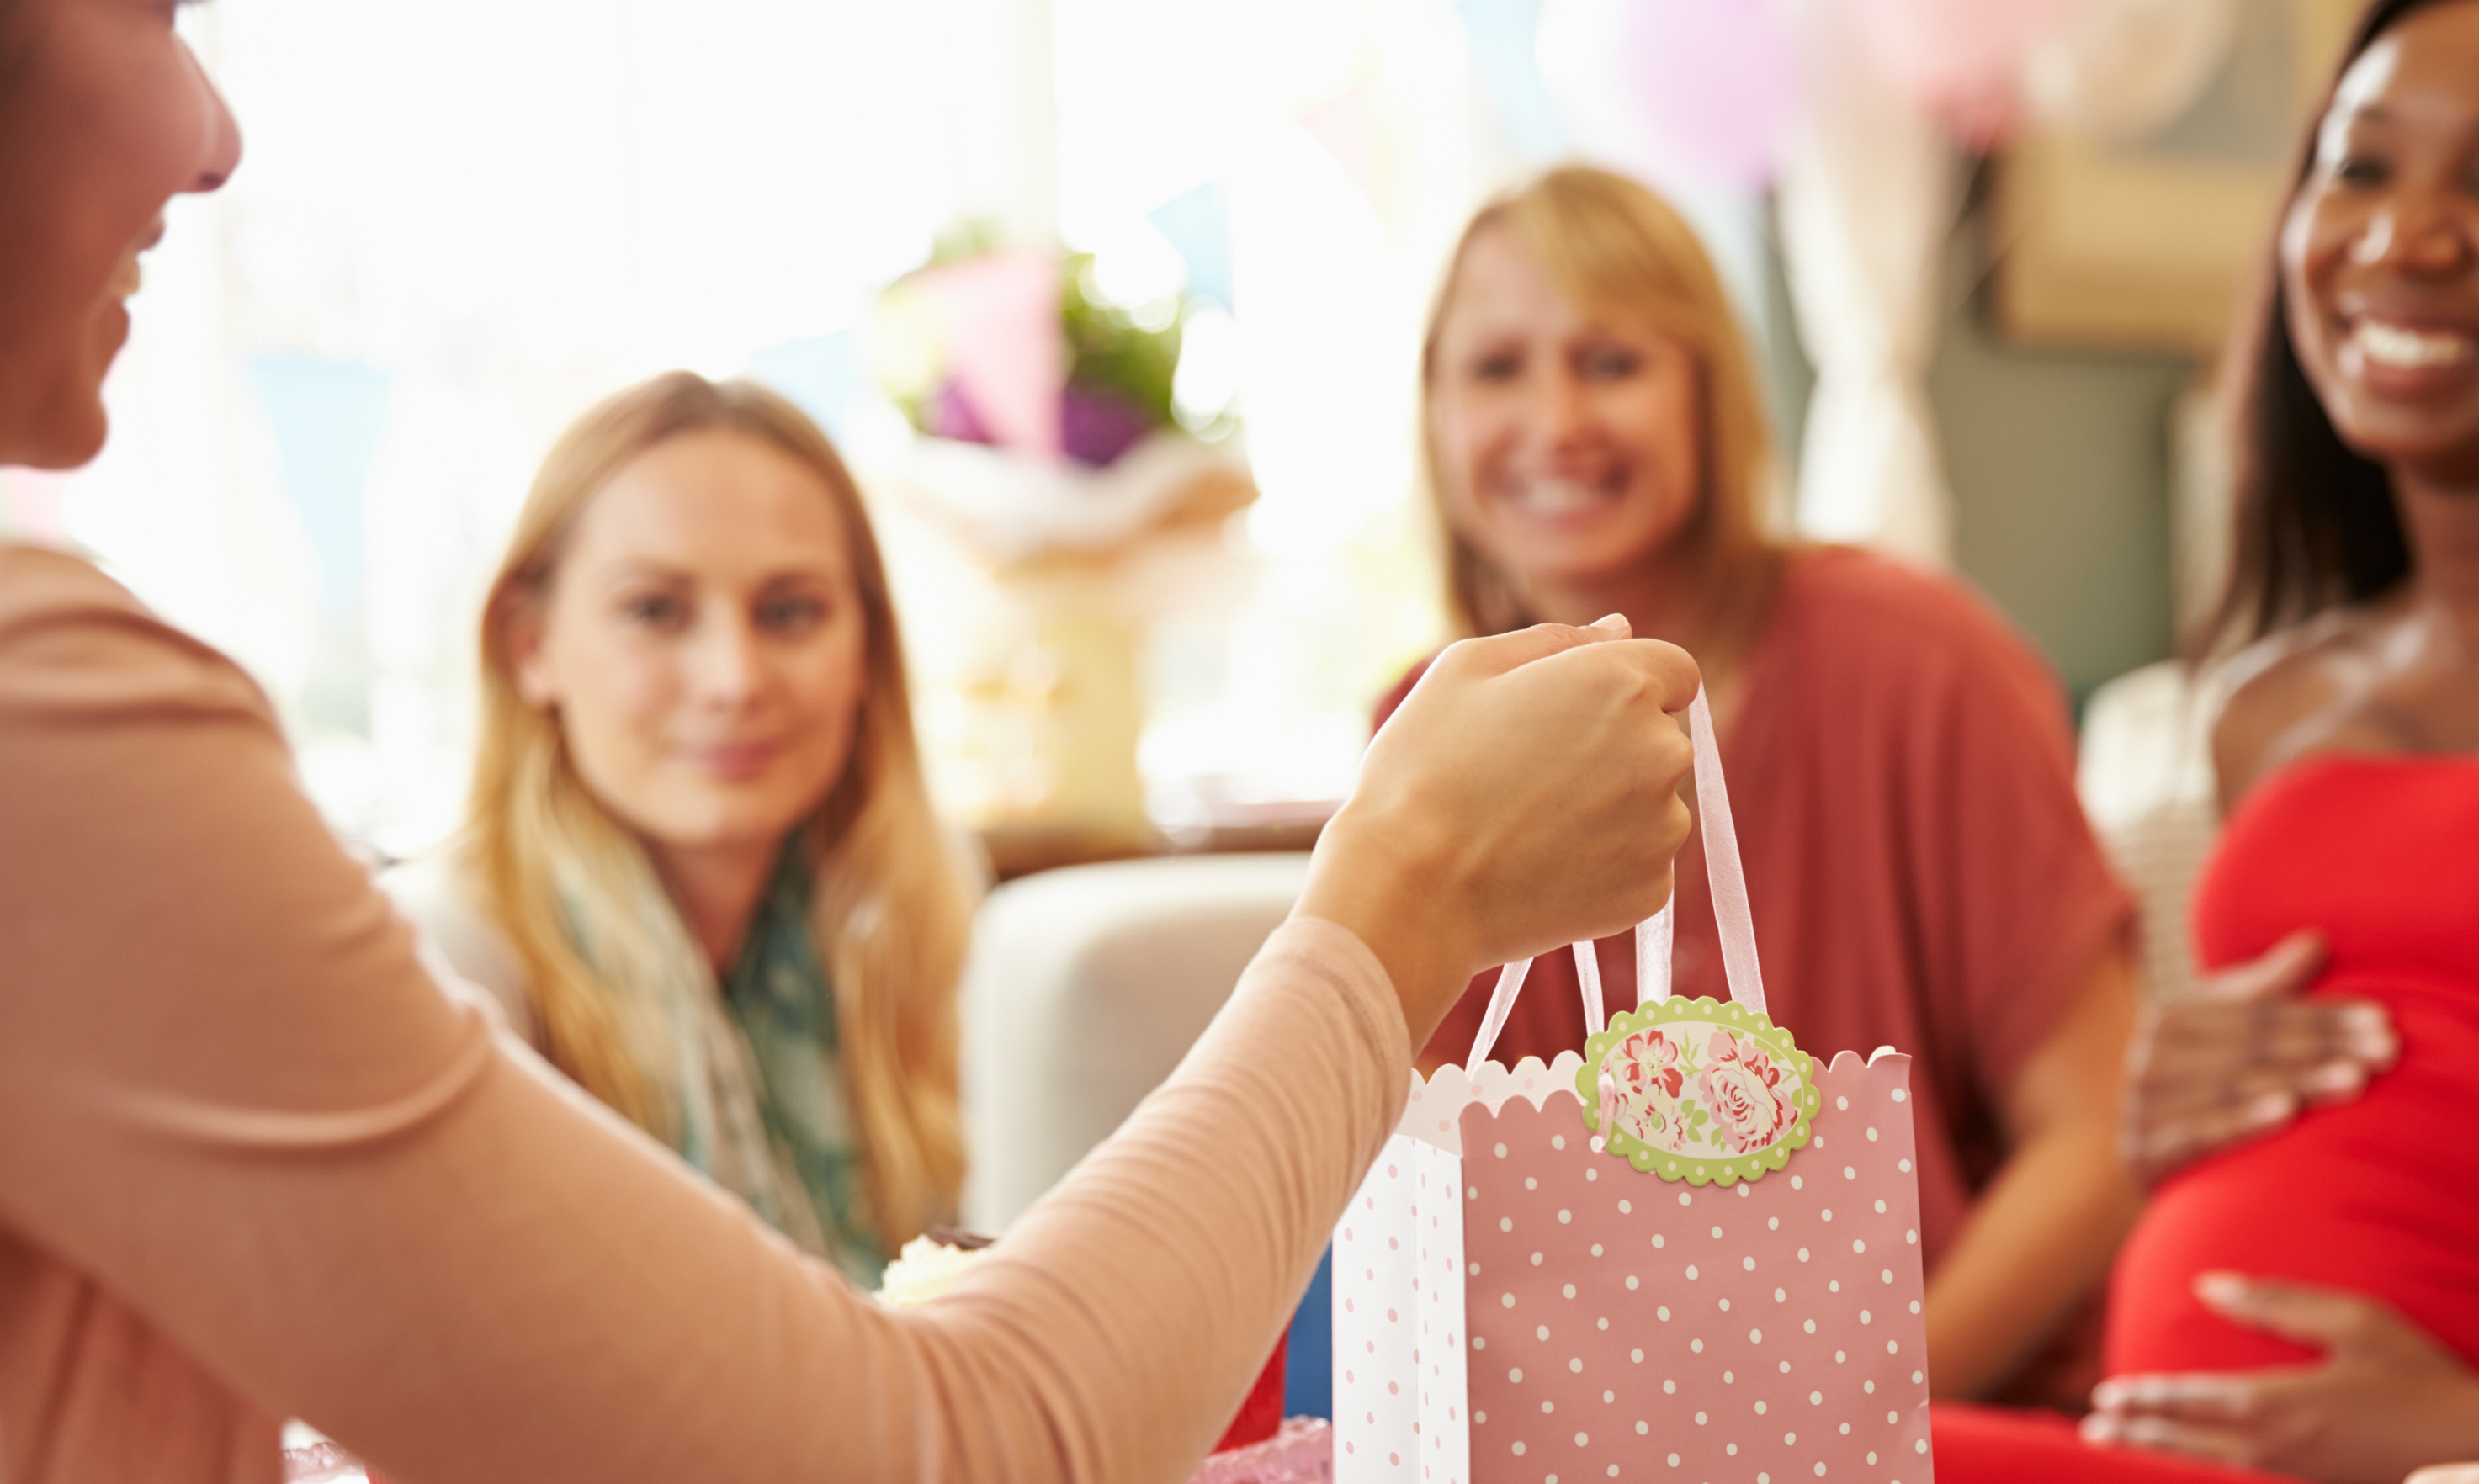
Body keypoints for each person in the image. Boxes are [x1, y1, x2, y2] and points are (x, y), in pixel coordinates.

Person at [0, 3, 1707, 1479]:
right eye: (155, 12)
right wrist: (1394, 898)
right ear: (527, 649)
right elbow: (925, 1454)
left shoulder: (893, 958)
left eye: (793, 612)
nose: (215, 134)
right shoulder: (89, 754)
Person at [1933, 0, 2479, 1478]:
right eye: (2354, 171)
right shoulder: (2265, 706)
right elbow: (2432, 1110)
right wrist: (2170, 1116)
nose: (2398, 239)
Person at [1388, 162, 2143, 1407]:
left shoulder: (1922, 667)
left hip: (1942, 1411)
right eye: (1496, 368)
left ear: (1710, 396)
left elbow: (2095, 1139)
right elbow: (1422, 1176)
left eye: (1612, 362)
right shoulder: (1418, 733)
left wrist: (1844, 1409)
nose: (1555, 418)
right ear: (1433, 416)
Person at [383, 372, 970, 1289]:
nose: (733, 678)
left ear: (867, 651)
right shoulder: (442, 961)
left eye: (790, 612)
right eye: (654, 610)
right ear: (529, 647)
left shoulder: (917, 927)